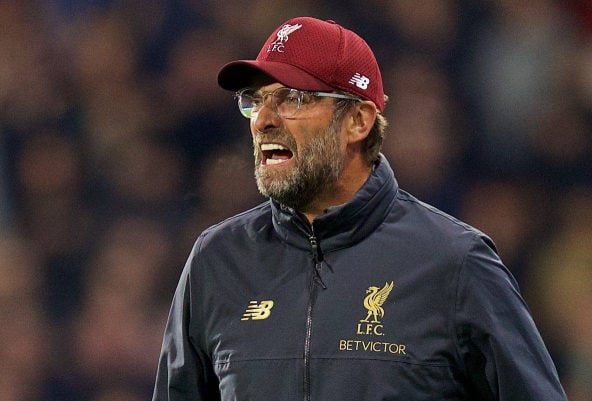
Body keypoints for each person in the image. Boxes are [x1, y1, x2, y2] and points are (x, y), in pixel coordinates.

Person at [152, 17, 567, 401]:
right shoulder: (217, 261)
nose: (262, 120)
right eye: (255, 100)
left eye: (292, 99)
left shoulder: (455, 263)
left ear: (358, 121)